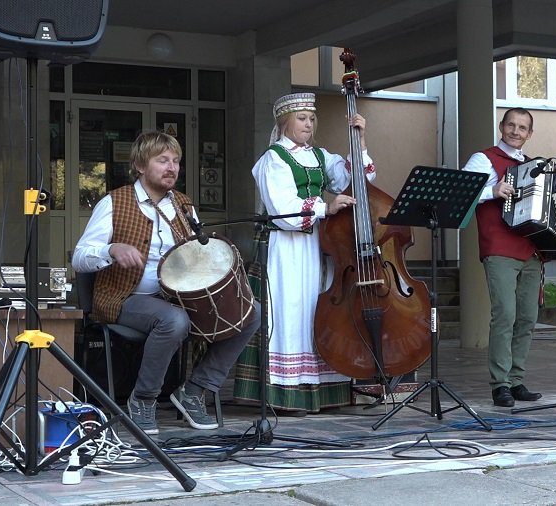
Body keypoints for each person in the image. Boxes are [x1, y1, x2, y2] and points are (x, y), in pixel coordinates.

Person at [72, 130, 259, 436]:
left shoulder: (184, 206)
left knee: (250, 311)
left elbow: (200, 255)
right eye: (163, 160)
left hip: (178, 298)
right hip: (124, 297)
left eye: (176, 161)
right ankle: (143, 399)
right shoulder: (115, 203)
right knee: (174, 320)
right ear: (141, 165)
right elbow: (79, 257)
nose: (172, 167)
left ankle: (195, 390)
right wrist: (111, 249)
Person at [236, 92, 373, 414]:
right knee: (293, 310)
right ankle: (289, 391)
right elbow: (281, 209)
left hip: (319, 245)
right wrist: (327, 206)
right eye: (302, 118)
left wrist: (360, 141)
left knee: (318, 309)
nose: (308, 124)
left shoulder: (321, 156)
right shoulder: (273, 159)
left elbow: (360, 181)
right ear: (285, 121)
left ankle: (324, 387)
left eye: (312, 119)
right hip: (288, 247)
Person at [462, 107, 545, 408]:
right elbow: (462, 192)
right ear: (501, 126)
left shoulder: (535, 166)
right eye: (511, 125)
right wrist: (492, 190)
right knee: (505, 315)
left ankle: (516, 380)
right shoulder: (483, 158)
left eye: (523, 128)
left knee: (527, 317)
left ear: (529, 134)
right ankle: (500, 385)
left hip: (531, 249)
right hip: (499, 248)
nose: (516, 131)